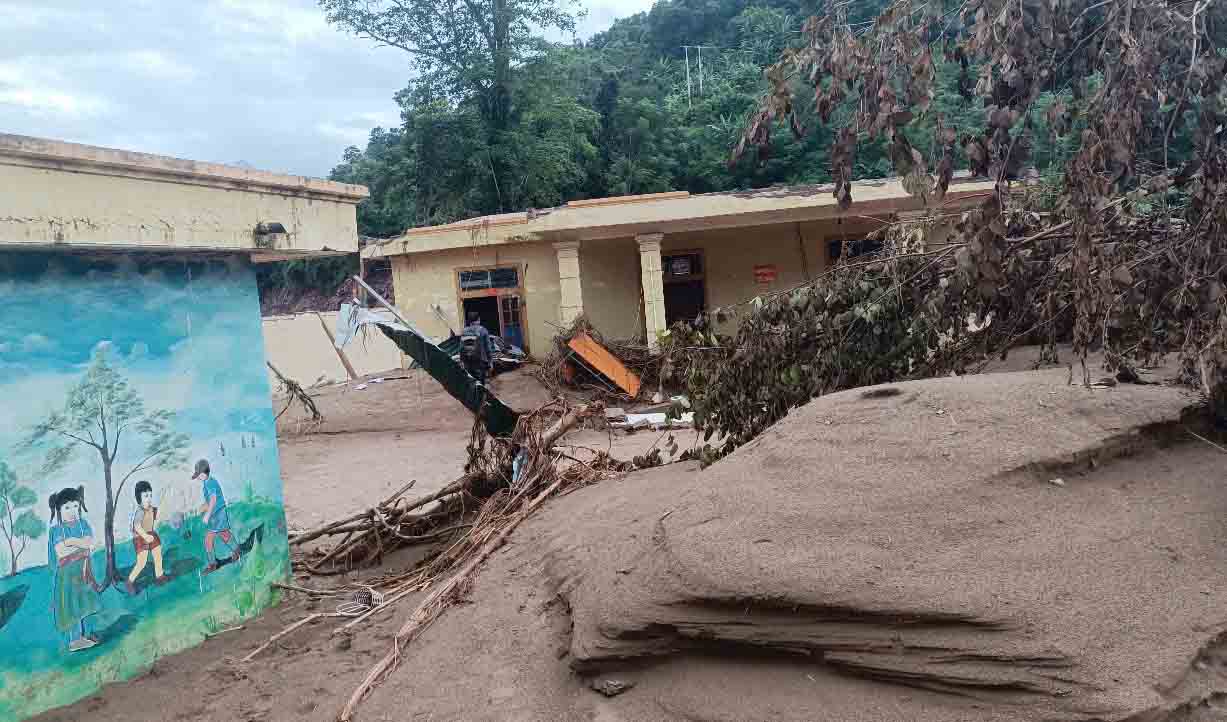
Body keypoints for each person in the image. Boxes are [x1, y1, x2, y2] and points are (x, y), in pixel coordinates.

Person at [47, 486, 102, 652]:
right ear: (58, 509)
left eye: (76, 506)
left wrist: (70, 541)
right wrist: (79, 545)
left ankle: (83, 636)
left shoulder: (83, 523)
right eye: (67, 507)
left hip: (83, 570)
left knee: (83, 603)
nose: (72, 511)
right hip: (67, 574)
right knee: (70, 605)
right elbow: (61, 553)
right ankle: (75, 640)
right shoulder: (56, 530)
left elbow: (89, 542)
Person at [193, 459, 239, 573]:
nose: (198, 478)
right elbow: (210, 500)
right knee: (224, 534)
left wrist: (207, 515)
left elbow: (213, 500)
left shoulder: (210, 483)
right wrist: (202, 507)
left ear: (203, 474)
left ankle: (212, 564)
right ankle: (237, 550)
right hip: (217, 514)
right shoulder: (208, 482)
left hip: (218, 514)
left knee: (208, 539)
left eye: (198, 475)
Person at [126, 480, 169, 593]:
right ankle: (130, 581)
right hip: (141, 537)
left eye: (150, 495)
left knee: (158, 555)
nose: (149, 498)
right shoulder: (140, 511)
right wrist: (145, 536)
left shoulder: (151, 509)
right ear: (139, 498)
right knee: (142, 562)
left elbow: (157, 515)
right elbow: (136, 526)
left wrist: (163, 499)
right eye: (146, 496)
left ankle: (160, 576)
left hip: (151, 534)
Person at [459, 312, 496, 385]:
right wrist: (490, 361)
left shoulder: (464, 331)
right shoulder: (483, 330)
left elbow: (461, 348)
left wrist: (462, 361)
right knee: (481, 384)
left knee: (471, 383)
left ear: (469, 321)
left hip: (468, 363)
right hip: (480, 362)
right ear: (478, 319)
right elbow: (488, 348)